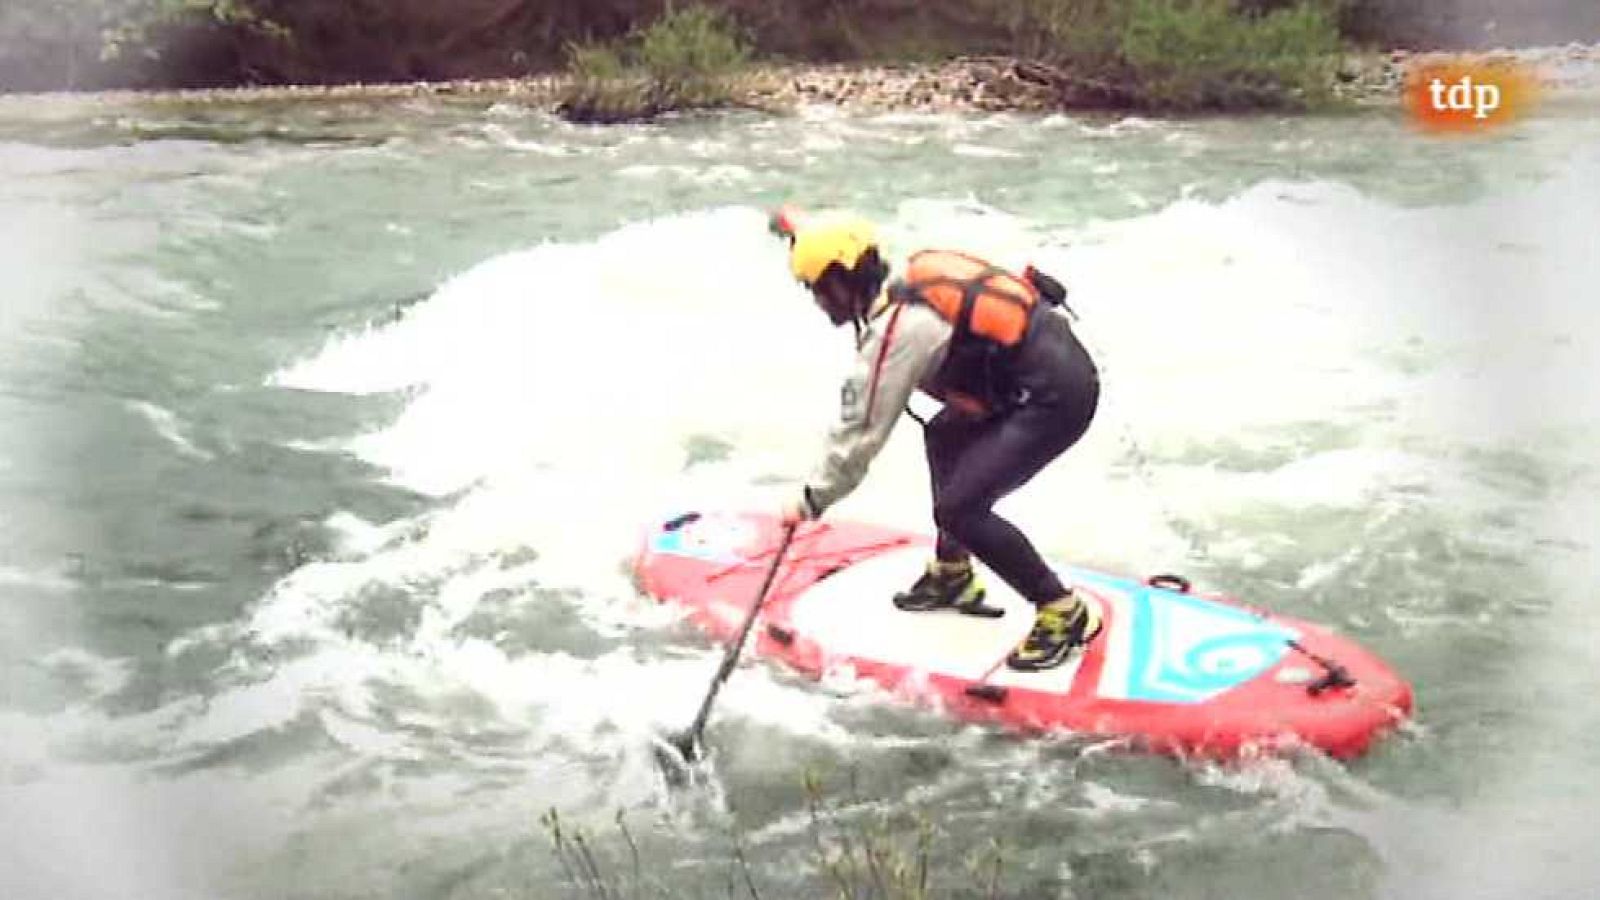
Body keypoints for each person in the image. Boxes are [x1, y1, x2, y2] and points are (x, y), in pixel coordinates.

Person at [771, 207, 1103, 671]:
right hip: (1043, 376)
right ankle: (953, 573)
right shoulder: (903, 290)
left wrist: (810, 500)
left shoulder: (899, 331)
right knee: (945, 433)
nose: (818, 301)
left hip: (1054, 399)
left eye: (817, 289)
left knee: (960, 509)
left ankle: (1062, 612)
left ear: (841, 282)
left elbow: (862, 432)